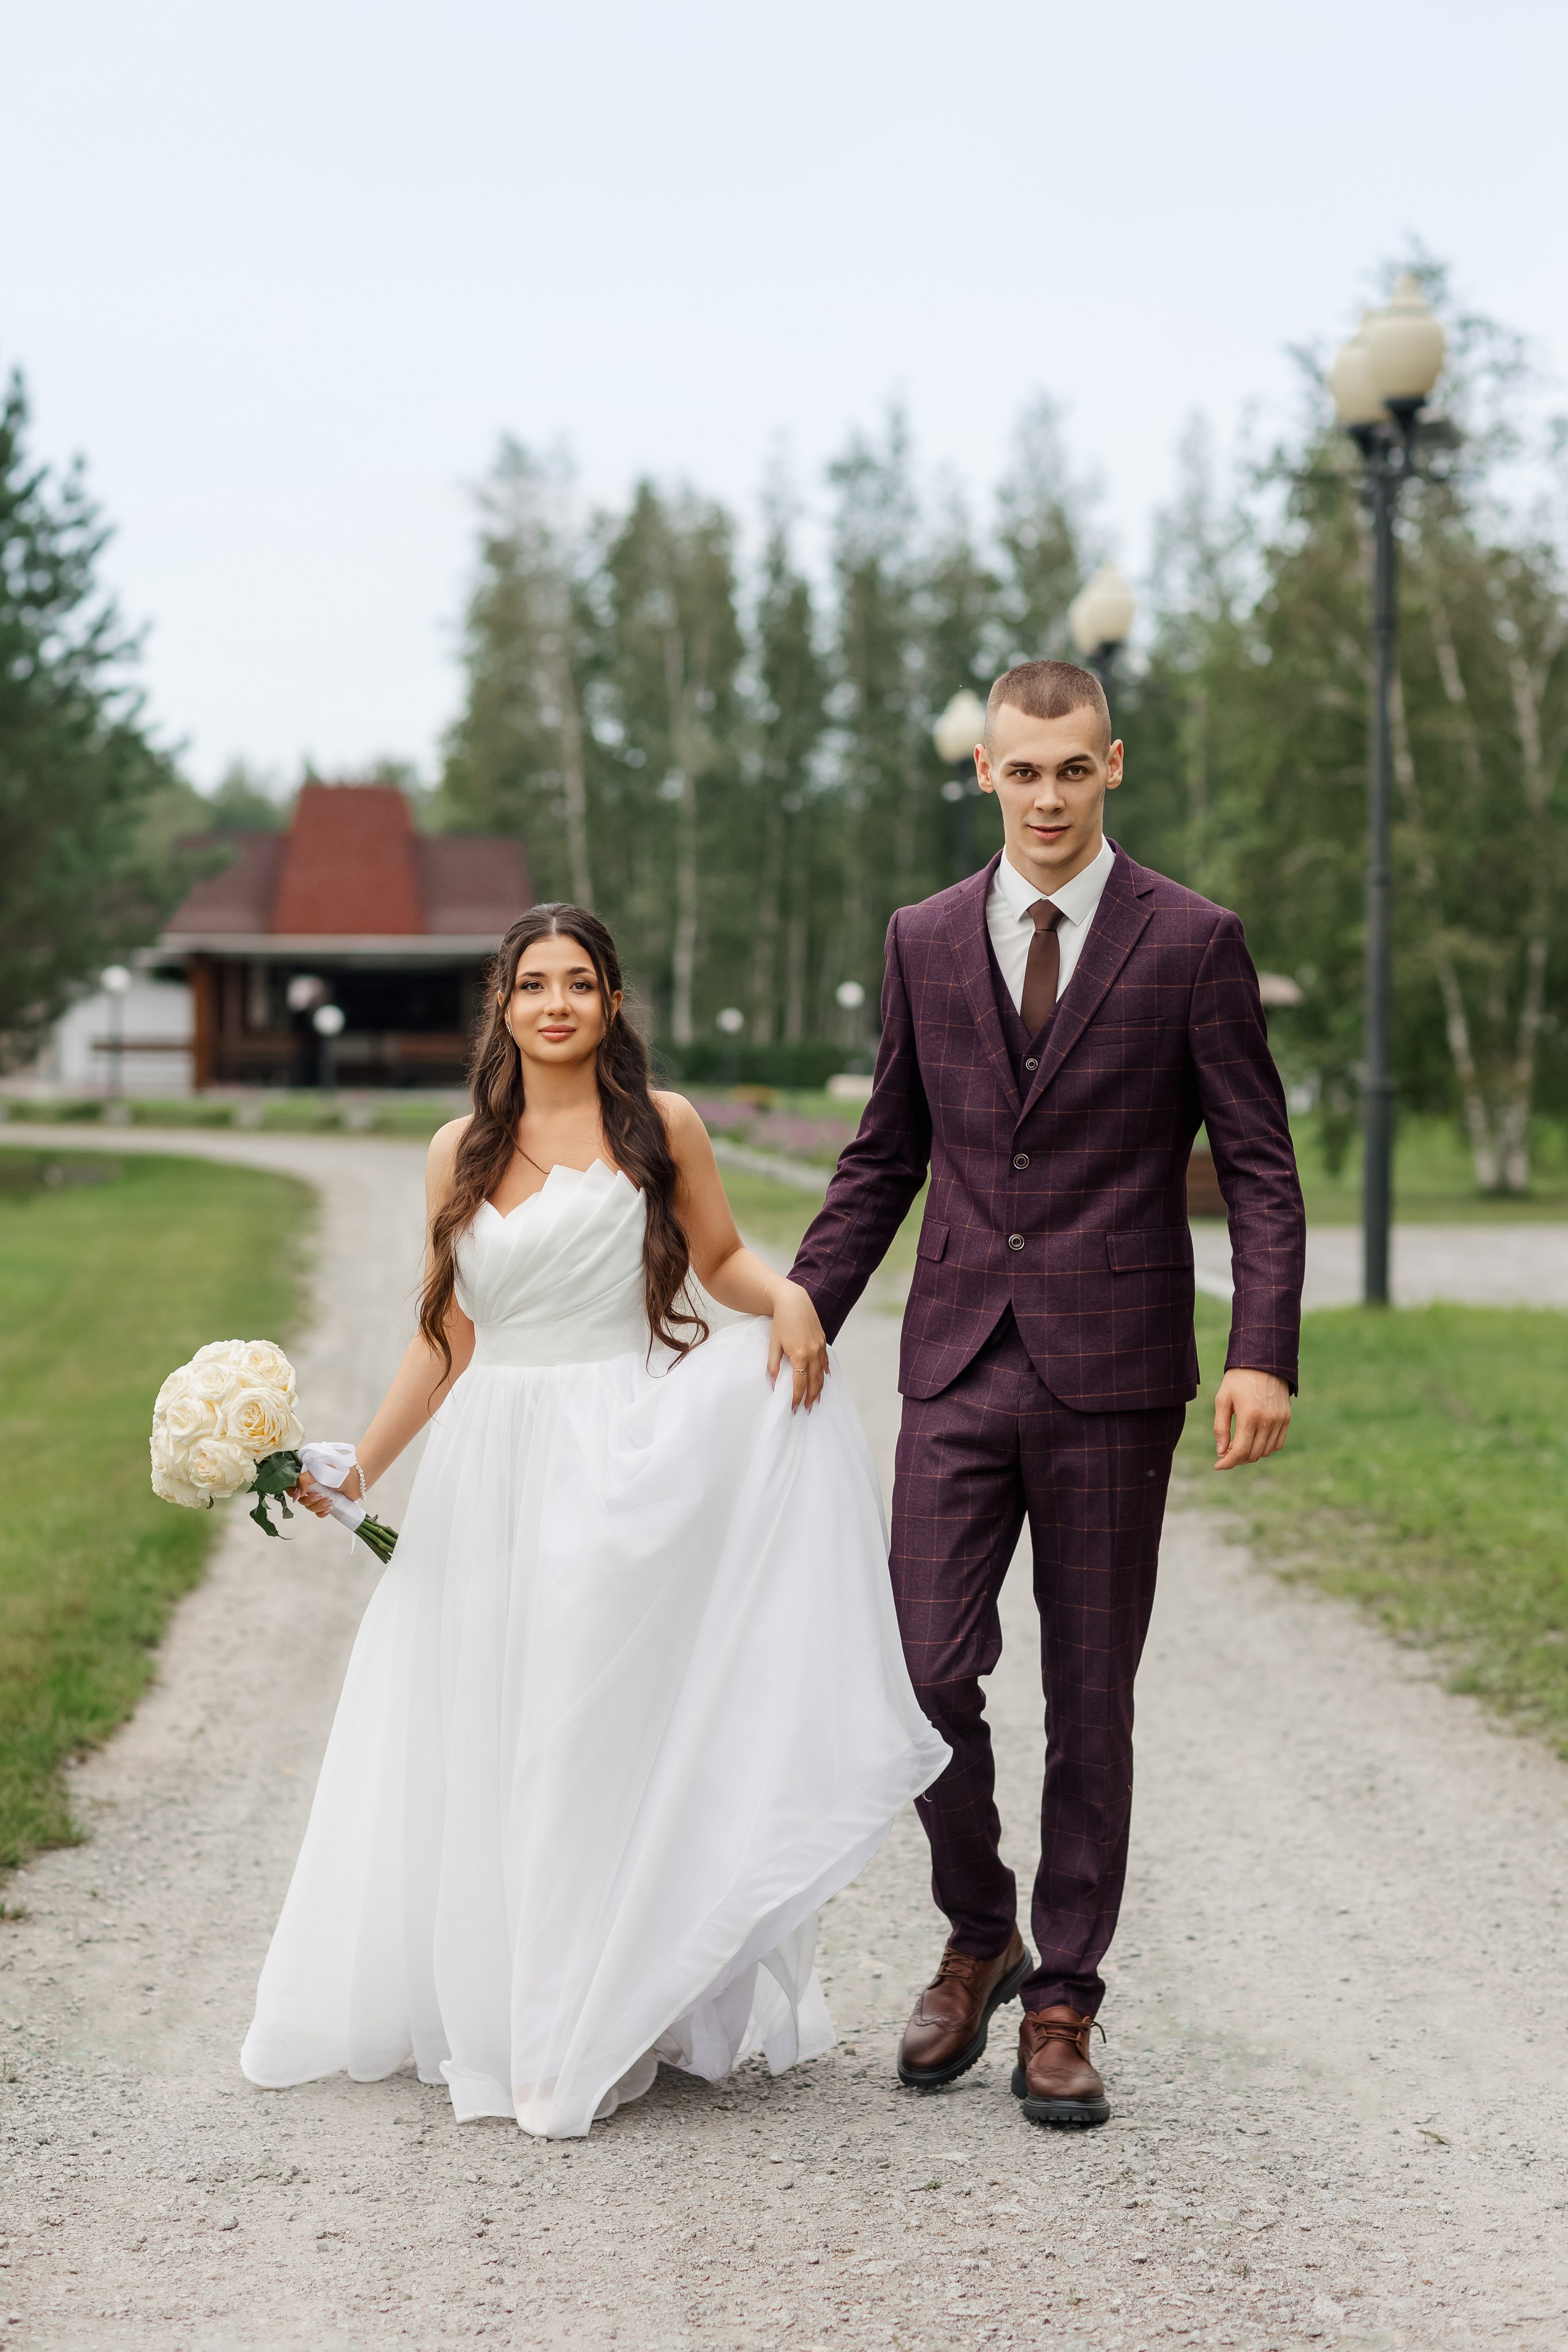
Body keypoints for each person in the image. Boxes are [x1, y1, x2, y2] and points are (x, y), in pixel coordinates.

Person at [239, 905, 948, 2139]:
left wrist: (786, 1301)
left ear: (612, 1002)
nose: (554, 1004)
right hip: (490, 1464)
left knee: (590, 1725)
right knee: (494, 1724)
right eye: (530, 985)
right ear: (501, 1006)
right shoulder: (455, 1149)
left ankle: (594, 2013)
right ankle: (509, 2013)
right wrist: (362, 1462)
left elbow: (720, 1260)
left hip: (624, 1443)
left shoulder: (658, 1126)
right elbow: (446, 1336)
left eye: (578, 983)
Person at [789, 660, 1306, 2130]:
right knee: (920, 1666)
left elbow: (1259, 1172)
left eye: (1072, 770)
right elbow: (883, 1154)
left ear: (1111, 767)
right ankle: (978, 1925)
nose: (1046, 797)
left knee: (1089, 1697)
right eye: (1022, 772)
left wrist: (1261, 1346)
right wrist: (801, 1313)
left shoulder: (1190, 942)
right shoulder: (922, 938)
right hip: (955, 1358)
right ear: (984, 775)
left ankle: (1063, 1993)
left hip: (1113, 1376)